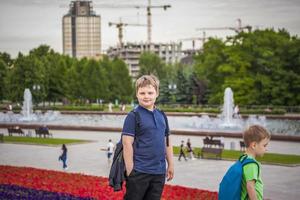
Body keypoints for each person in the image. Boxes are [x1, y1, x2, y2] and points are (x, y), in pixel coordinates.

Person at [122, 74, 174, 200]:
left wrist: (171, 164)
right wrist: (130, 172)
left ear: (157, 93)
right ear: (137, 94)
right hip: (139, 171)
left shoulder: (162, 115)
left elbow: (167, 142)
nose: (146, 96)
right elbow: (127, 144)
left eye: (150, 93)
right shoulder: (133, 116)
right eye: (142, 93)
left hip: (159, 173)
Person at [241, 125, 271, 200]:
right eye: (264, 145)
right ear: (254, 145)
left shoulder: (243, 158)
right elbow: (250, 187)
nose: (266, 149)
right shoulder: (251, 164)